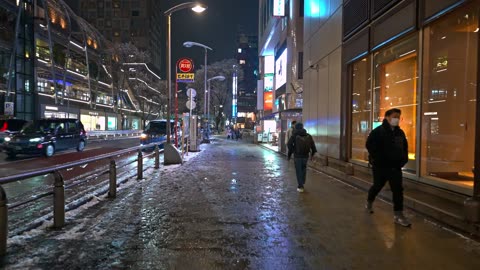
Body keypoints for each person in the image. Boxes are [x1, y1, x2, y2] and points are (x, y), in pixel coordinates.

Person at [365, 108, 411, 227]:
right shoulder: (378, 132)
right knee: (377, 186)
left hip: (395, 167)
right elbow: (369, 145)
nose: (396, 119)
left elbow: (405, 148)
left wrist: (403, 160)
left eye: (398, 117)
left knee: (398, 190)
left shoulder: (400, 133)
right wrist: (378, 158)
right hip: (381, 167)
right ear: (387, 117)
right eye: (395, 116)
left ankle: (398, 215)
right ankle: (369, 202)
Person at [287, 123, 317, 193]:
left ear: (296, 128)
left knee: (298, 170)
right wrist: (312, 154)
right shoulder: (308, 135)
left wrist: (292, 152)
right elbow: (313, 145)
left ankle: (300, 186)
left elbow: (289, 144)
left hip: (297, 156)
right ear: (302, 127)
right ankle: (302, 182)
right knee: (303, 169)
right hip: (306, 156)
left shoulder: (294, 135)